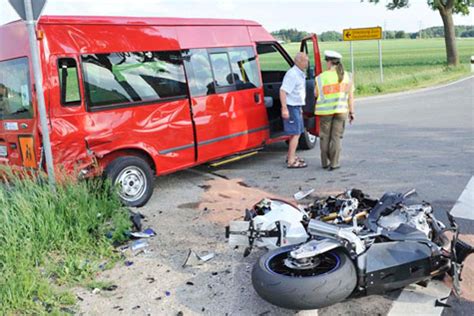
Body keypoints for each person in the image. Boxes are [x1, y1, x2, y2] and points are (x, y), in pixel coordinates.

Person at [314, 50, 354, 170]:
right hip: (341, 111)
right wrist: (352, 112)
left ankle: (325, 162)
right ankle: (335, 163)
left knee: (324, 137)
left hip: (325, 112)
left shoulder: (321, 77)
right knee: (336, 137)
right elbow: (351, 96)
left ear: (329, 62)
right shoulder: (348, 76)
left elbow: (316, 94)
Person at [280, 52, 309, 168]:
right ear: (299, 61)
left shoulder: (299, 73)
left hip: (296, 107)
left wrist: (300, 107)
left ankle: (291, 155)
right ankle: (291, 161)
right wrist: (284, 108)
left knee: (295, 133)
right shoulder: (292, 74)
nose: (307, 63)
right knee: (295, 134)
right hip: (291, 107)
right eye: (305, 61)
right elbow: (283, 91)